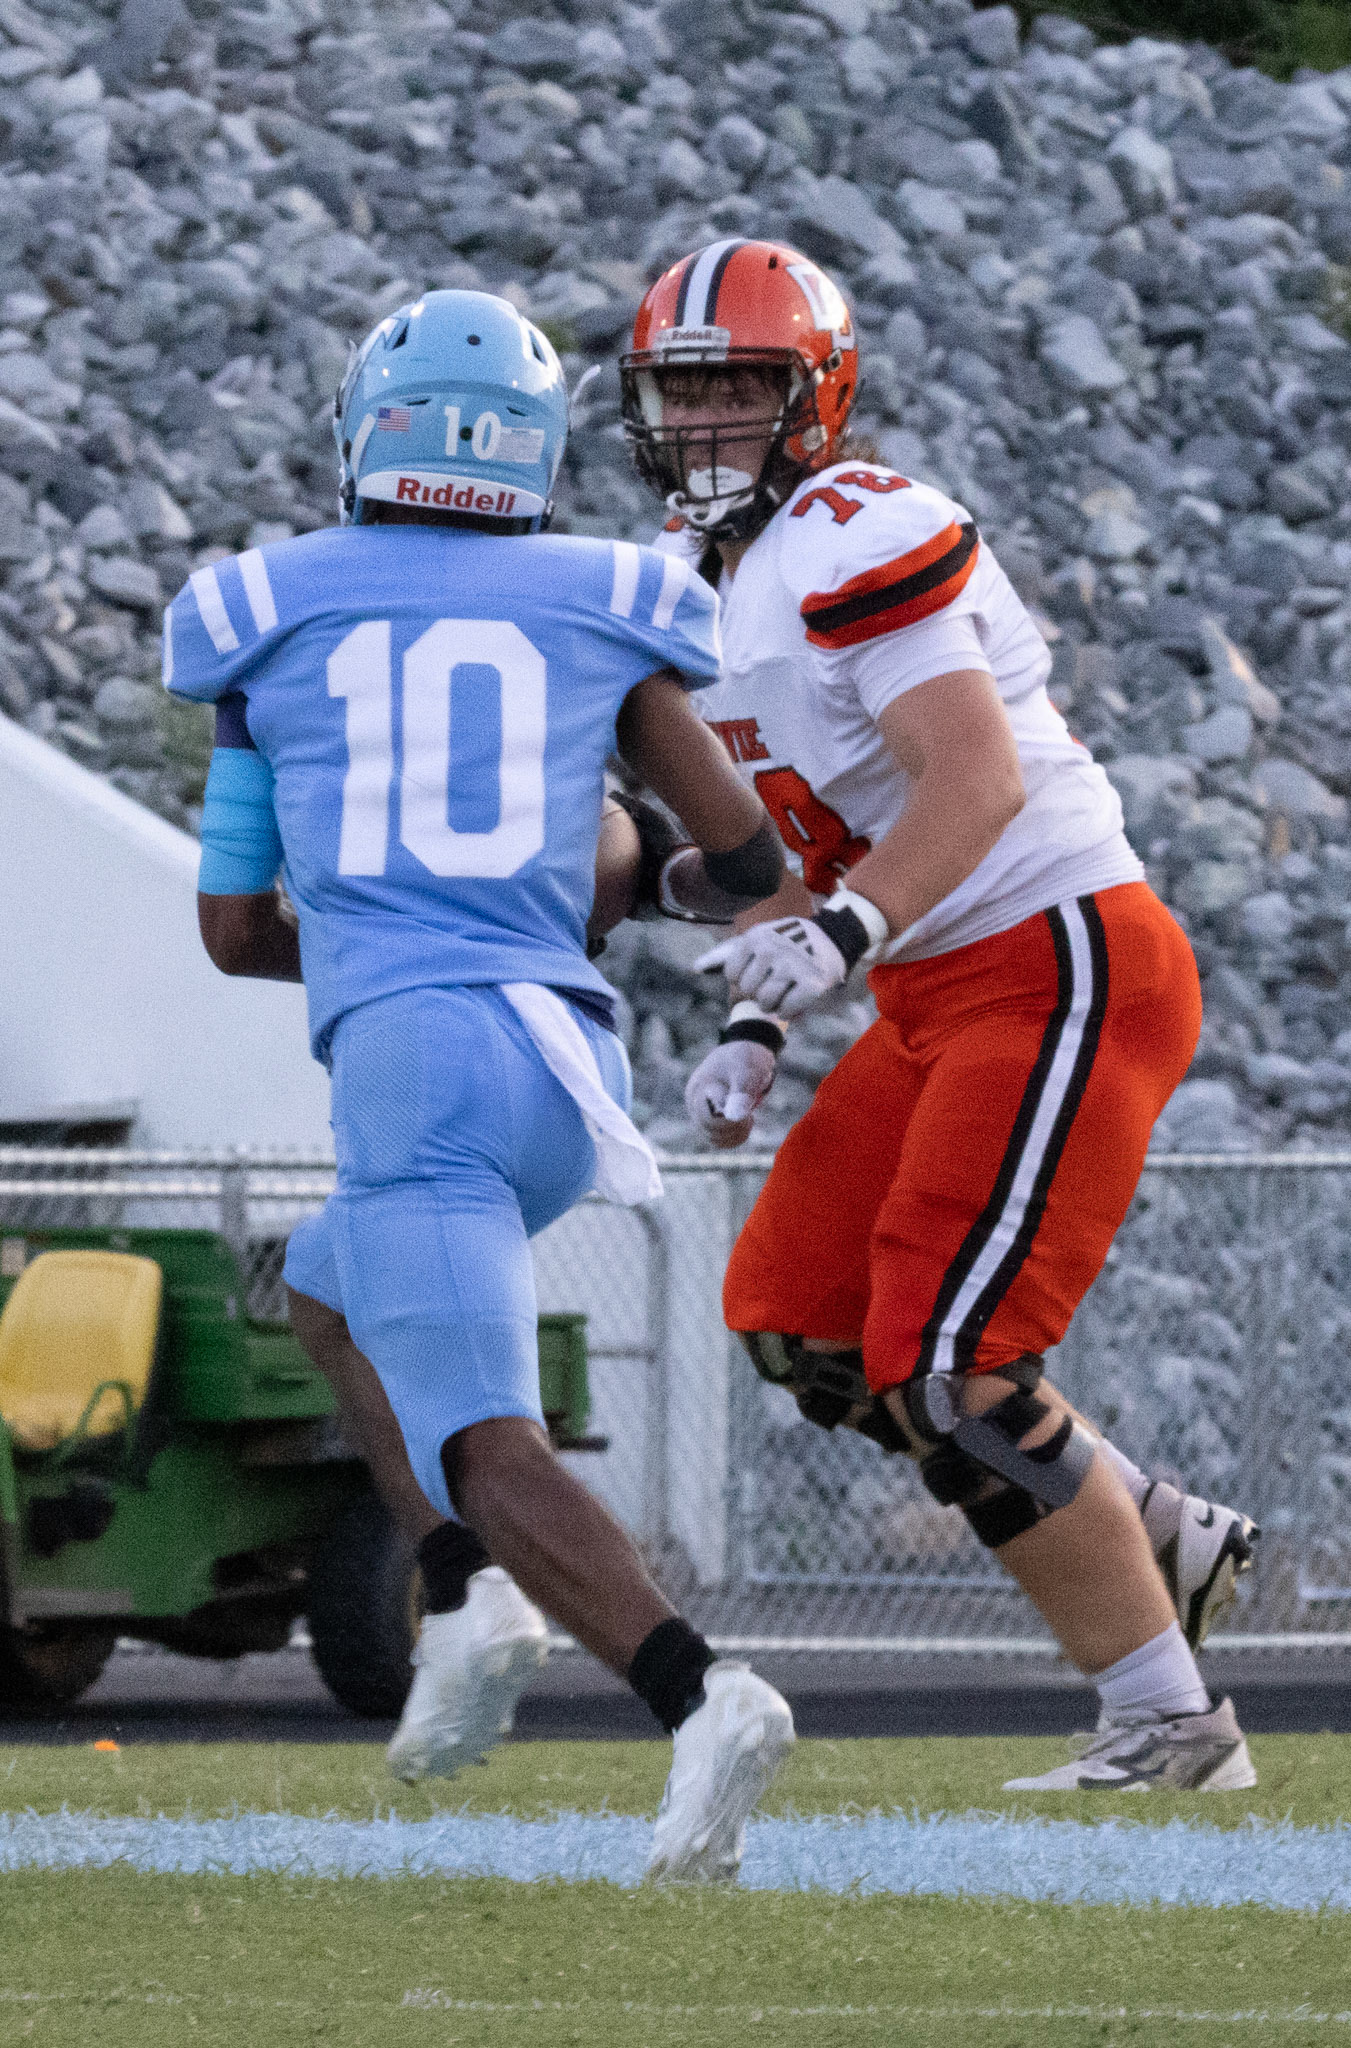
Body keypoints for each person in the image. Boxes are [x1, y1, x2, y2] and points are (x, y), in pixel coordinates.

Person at [166, 288, 795, 1878]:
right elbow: (744, 865)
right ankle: (465, 1595)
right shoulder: (606, 601)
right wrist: (603, 879)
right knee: (328, 1290)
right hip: (563, 1065)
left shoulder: (264, 610)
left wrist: (378, 945)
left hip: (417, 1063)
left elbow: (234, 932)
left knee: (491, 1448)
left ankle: (699, 1693)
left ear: (366, 432)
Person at [617, 237, 1259, 1791]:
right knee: (801, 1318)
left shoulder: (856, 529)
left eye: (737, 386)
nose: (705, 420)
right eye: (681, 391)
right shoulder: (687, 581)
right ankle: (1154, 1530)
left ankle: (1171, 1724)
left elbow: (970, 782)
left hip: (1058, 955)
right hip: (932, 987)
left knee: (952, 1363)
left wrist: (842, 932)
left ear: (813, 398)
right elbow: (786, 849)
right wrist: (757, 1024)